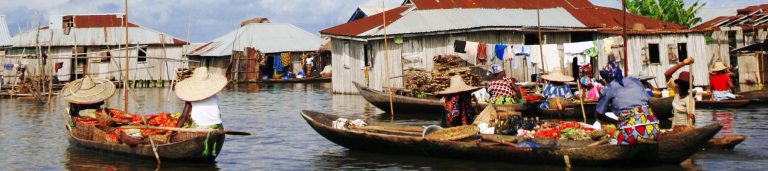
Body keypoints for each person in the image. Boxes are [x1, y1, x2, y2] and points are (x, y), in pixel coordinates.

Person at [596, 62, 660, 144]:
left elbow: (598, 115)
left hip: (630, 133)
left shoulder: (608, 88)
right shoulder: (635, 80)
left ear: (606, 79)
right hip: (653, 129)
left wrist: (615, 122)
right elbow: (649, 103)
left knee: (610, 143)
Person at [664, 57, 695, 131]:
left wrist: (692, 117)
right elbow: (667, 74)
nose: (682, 86)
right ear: (678, 84)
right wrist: (683, 63)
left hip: (684, 129)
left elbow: (692, 119)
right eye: (681, 83)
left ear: (688, 86)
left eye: (685, 84)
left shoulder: (689, 99)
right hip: (674, 128)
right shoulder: (676, 90)